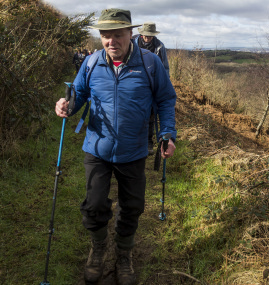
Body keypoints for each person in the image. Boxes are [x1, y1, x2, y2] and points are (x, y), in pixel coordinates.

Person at [54, 8, 176, 284]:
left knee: (132, 206)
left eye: (117, 35)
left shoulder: (149, 64)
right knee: (95, 204)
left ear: (130, 34)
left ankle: (124, 254)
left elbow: (166, 99)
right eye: (105, 36)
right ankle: (98, 249)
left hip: (133, 150)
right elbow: (78, 95)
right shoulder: (91, 63)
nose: (111, 42)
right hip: (97, 147)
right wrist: (66, 106)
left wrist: (167, 134)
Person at [132, 22, 170, 154]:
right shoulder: (132, 43)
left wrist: (165, 86)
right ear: (141, 34)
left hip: (152, 84)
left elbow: (165, 68)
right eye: (146, 35)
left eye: (150, 36)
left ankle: (148, 143)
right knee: (134, 112)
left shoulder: (160, 47)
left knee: (151, 115)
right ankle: (134, 141)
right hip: (135, 82)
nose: (147, 38)